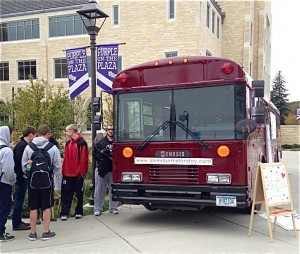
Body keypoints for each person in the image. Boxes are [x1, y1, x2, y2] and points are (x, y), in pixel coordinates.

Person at [22, 125, 61, 241]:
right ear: (48, 133)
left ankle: (33, 233)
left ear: (38, 133)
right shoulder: (52, 148)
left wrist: (28, 174)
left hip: (33, 182)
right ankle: (46, 232)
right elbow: (57, 166)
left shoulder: (29, 147)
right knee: (46, 207)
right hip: (47, 181)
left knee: (33, 207)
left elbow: (25, 165)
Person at [60, 124, 88, 221]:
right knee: (66, 194)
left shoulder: (81, 143)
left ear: (72, 131)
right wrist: (64, 171)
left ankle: (79, 211)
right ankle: (64, 212)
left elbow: (84, 158)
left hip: (77, 173)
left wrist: (82, 172)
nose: (66, 133)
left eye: (67, 131)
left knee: (79, 194)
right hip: (67, 173)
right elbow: (66, 158)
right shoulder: (68, 143)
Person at [12, 126, 36, 231]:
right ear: (30, 135)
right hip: (21, 176)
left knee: (20, 198)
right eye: (34, 135)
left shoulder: (22, 145)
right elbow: (23, 162)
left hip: (20, 175)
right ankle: (16, 223)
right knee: (19, 199)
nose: (35, 137)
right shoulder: (22, 146)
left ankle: (18, 220)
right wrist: (28, 169)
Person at [93, 124, 118, 216]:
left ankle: (113, 207)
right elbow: (94, 154)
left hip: (113, 169)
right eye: (109, 129)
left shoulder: (117, 141)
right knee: (99, 190)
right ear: (106, 130)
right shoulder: (101, 141)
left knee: (114, 189)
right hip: (102, 169)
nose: (111, 131)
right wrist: (101, 155)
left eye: (112, 129)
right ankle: (98, 208)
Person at [0, 126, 16, 242]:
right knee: (4, 207)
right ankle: (1, 232)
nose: (12, 137)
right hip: (4, 182)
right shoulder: (7, 151)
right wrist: (13, 180)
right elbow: (9, 170)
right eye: (11, 134)